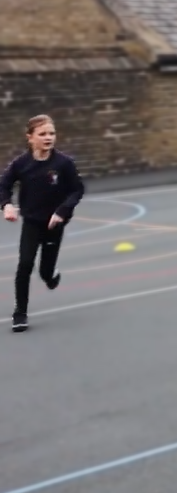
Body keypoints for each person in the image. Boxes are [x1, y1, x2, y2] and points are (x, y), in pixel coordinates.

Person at [2, 116, 85, 333]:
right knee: (25, 264)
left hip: (54, 224)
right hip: (31, 222)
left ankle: (51, 274)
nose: (48, 138)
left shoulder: (63, 163)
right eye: (42, 134)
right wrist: (6, 205)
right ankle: (20, 313)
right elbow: (4, 186)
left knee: (45, 272)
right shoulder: (21, 164)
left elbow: (77, 189)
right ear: (30, 138)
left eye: (51, 133)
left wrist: (62, 211)